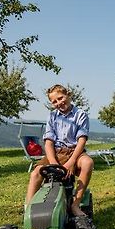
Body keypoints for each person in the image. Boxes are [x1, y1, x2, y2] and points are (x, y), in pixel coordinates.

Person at [25, 84, 94, 217]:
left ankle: (75, 204)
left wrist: (71, 162)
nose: (59, 103)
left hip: (75, 152)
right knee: (35, 174)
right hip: (56, 152)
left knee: (87, 163)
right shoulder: (52, 117)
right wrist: (53, 163)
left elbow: (81, 140)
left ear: (68, 95)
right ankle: (28, 212)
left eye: (60, 98)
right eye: (54, 101)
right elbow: (49, 142)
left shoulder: (80, 115)